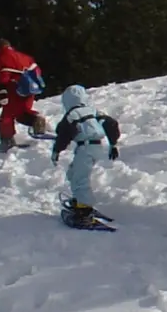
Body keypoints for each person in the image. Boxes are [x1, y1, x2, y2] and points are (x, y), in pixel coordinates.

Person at [51, 85, 120, 226]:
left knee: (80, 178)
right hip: (99, 146)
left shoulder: (71, 115)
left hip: (86, 147)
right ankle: (80, 201)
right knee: (73, 172)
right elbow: (112, 124)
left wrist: (56, 151)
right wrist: (113, 144)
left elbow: (62, 135)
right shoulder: (94, 111)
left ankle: (84, 210)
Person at [0, 38, 49, 152]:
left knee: (7, 116)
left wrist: (2, 91)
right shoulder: (24, 56)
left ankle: (7, 141)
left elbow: (4, 74)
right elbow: (37, 70)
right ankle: (36, 120)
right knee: (22, 111)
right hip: (29, 89)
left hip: (14, 90)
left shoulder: (1, 57)